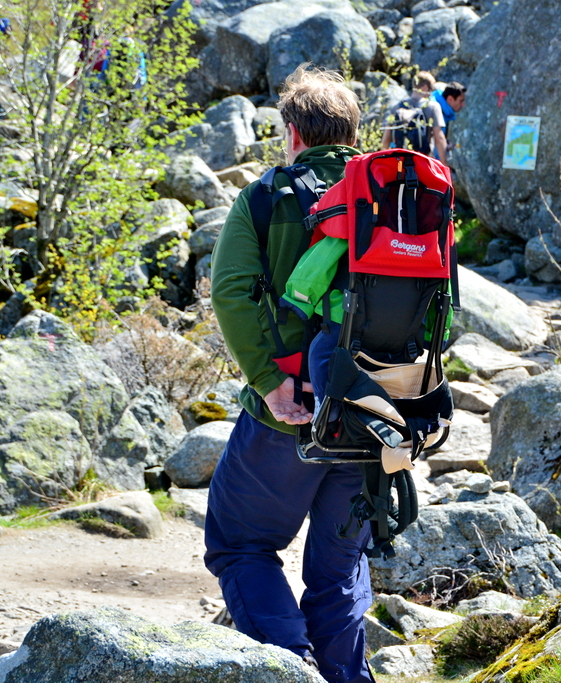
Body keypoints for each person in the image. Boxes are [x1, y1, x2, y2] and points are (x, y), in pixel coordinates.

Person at [205, 65, 374, 683]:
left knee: (240, 544)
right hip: (379, 417)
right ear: (351, 132)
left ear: (294, 134)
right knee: (337, 570)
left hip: (294, 410)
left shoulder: (268, 195)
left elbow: (230, 291)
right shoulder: (398, 200)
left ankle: (288, 672)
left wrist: (269, 381)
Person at [380, 71, 447, 162]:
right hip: (423, 161)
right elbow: (439, 138)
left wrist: (382, 162)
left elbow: (387, 137)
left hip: (399, 161)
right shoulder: (433, 107)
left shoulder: (397, 107)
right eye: (431, 90)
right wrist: (444, 166)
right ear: (425, 88)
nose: (431, 94)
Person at [431, 81, 466, 161]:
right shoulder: (436, 110)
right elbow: (438, 140)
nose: (463, 105)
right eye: (461, 101)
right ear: (450, 99)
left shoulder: (441, 108)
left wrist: (445, 145)